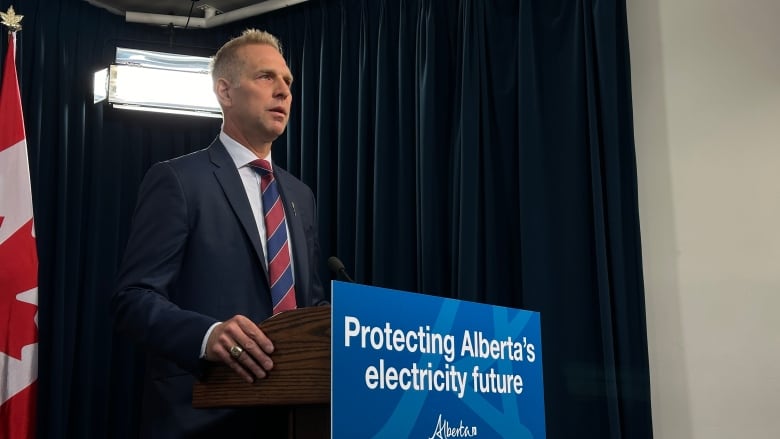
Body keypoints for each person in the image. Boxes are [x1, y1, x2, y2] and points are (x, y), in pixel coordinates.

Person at [111, 29, 326, 438]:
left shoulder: (300, 195)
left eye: (288, 82)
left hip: (294, 417)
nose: (283, 91)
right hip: (205, 415)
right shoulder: (177, 180)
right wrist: (207, 335)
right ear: (225, 92)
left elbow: (307, 306)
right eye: (267, 77)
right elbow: (132, 299)